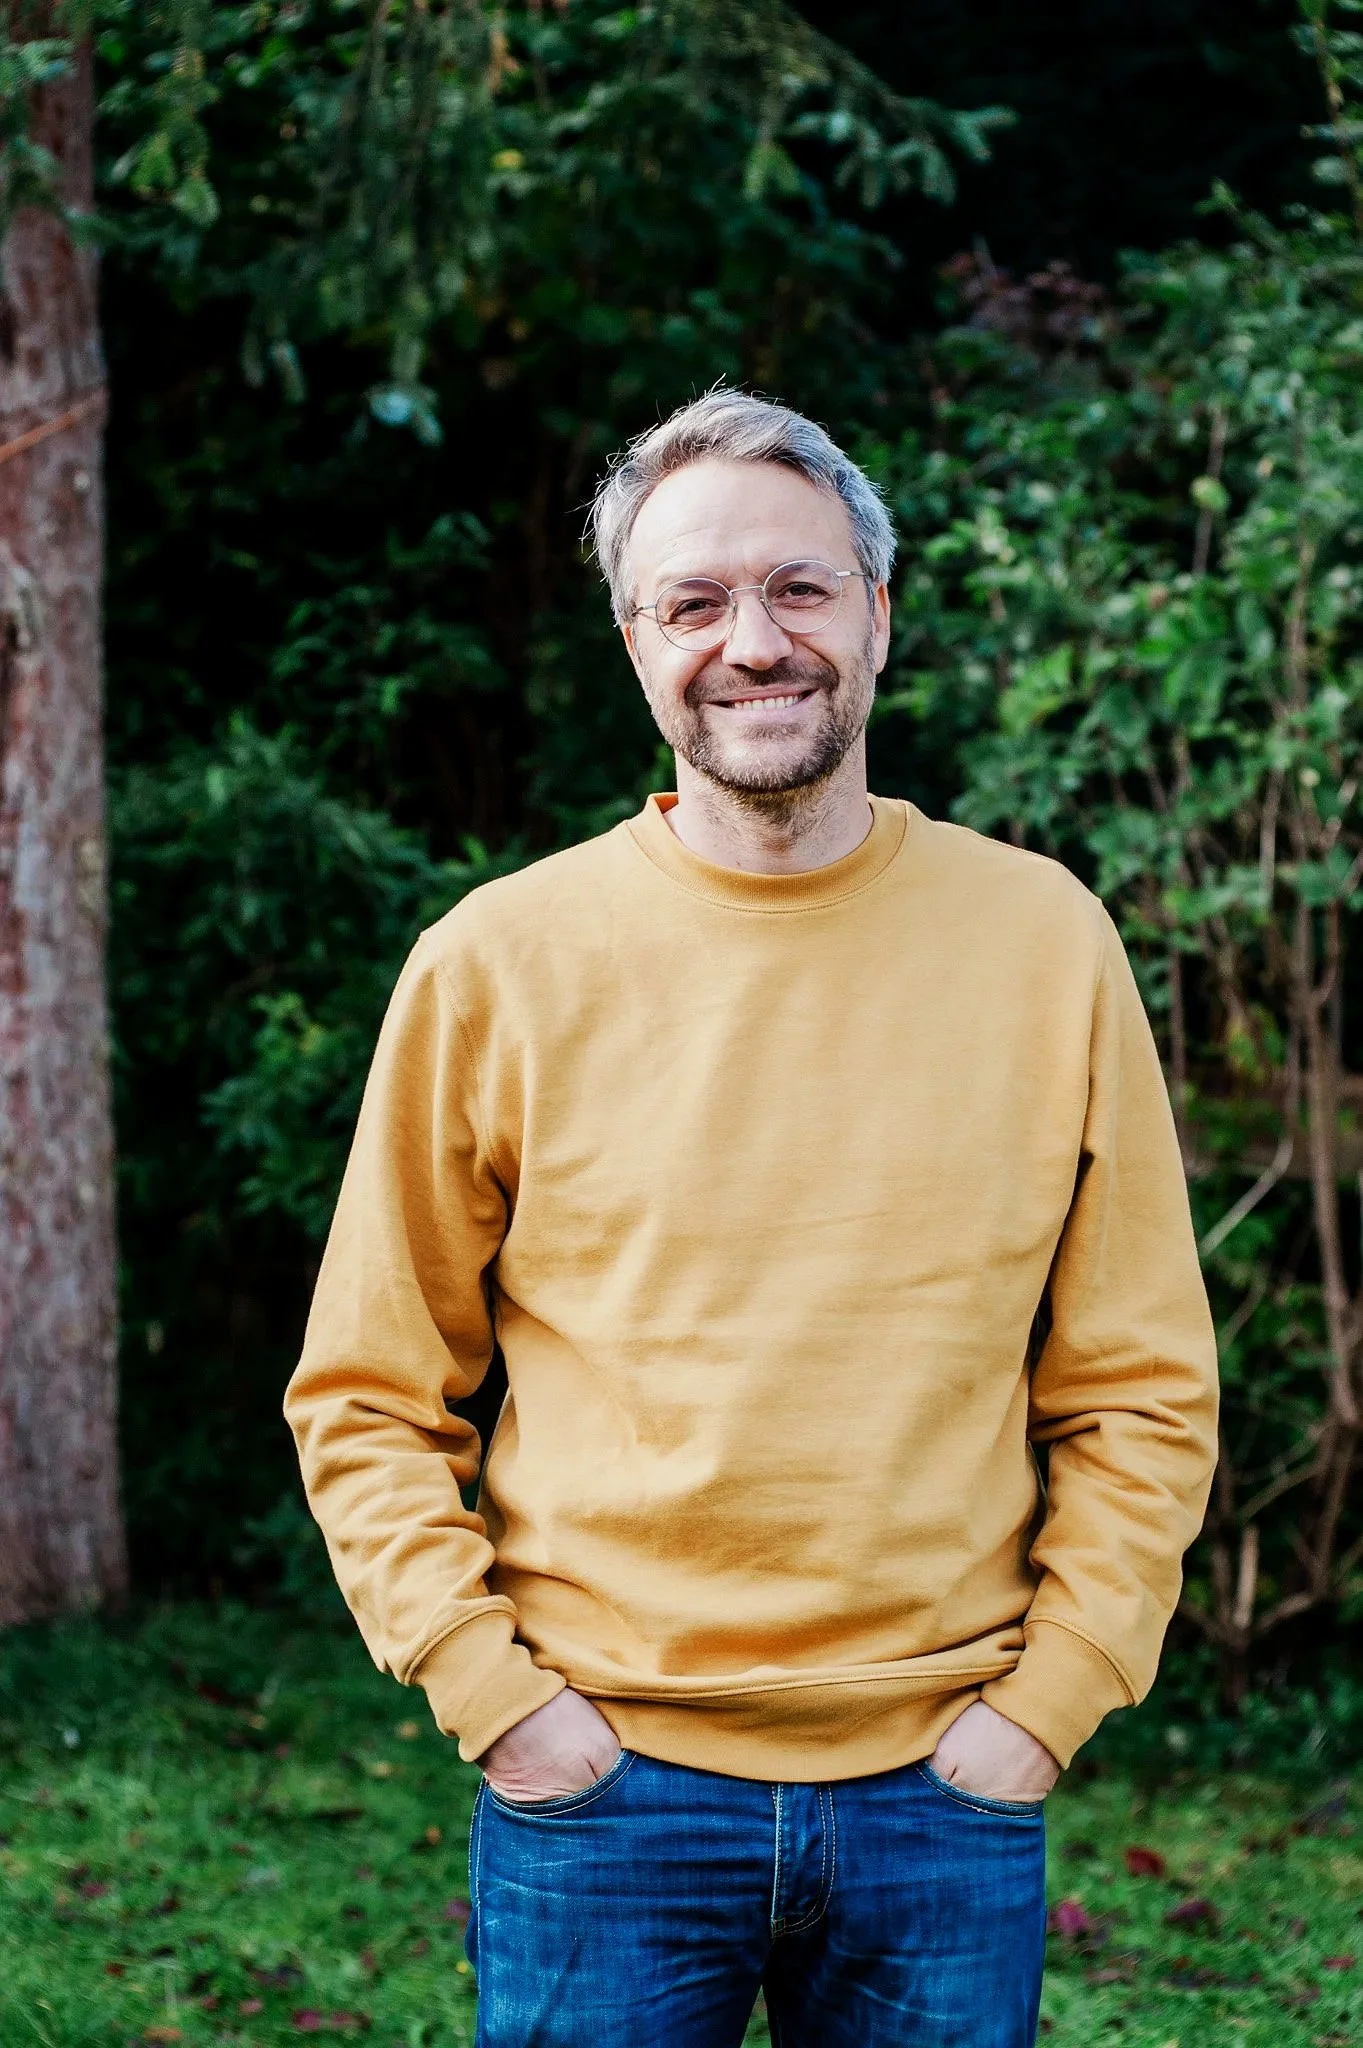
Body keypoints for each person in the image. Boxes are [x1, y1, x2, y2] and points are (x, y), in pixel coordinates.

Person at [284, 389, 1218, 2048]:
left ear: (877, 611)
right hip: (602, 1795)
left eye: (797, 589)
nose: (750, 641)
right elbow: (365, 1392)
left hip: (948, 1789)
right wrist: (498, 1701)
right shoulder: (497, 964)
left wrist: (1049, 1701)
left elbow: (1139, 1385)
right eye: (692, 601)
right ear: (634, 644)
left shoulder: (1044, 943)